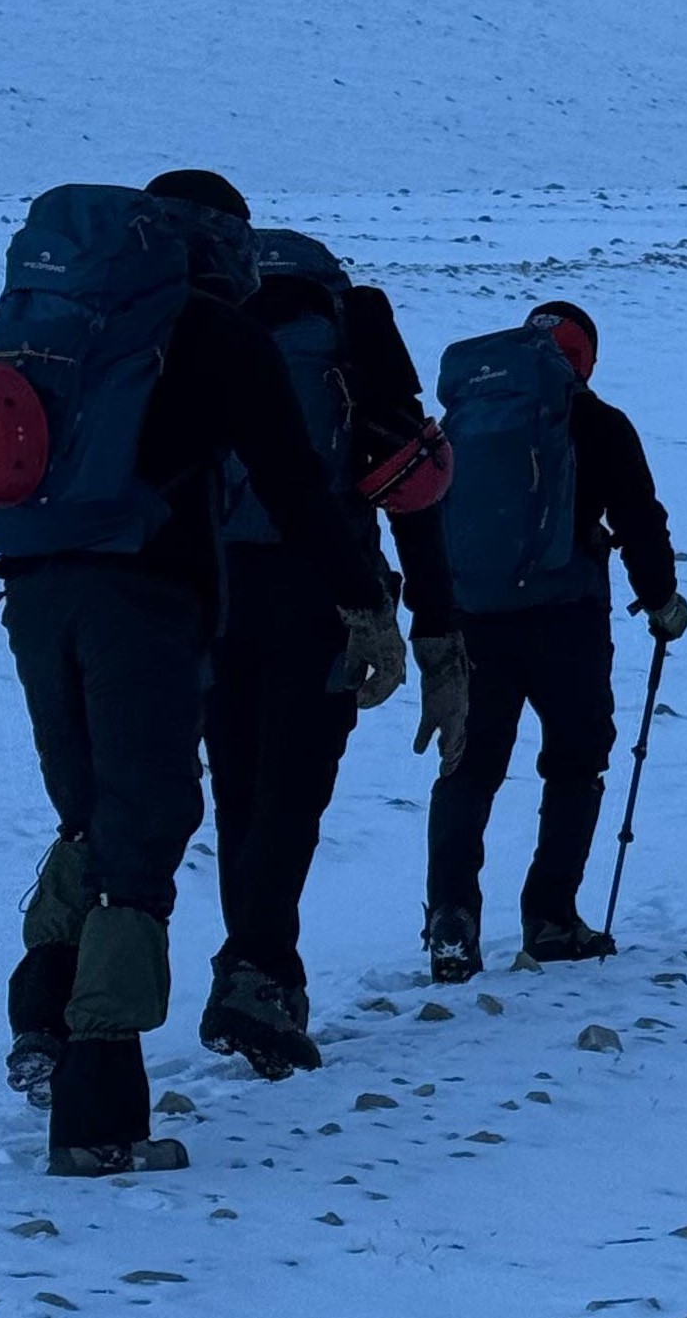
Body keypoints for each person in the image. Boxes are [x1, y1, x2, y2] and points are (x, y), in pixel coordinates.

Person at [0, 171, 403, 1177]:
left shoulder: (61, 318)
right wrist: (365, 604)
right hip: (146, 602)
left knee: (85, 810)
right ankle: (101, 1117)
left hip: (32, 584)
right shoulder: (216, 334)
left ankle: (42, 1022)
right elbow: (293, 484)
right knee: (144, 832)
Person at [198, 231, 463, 1079]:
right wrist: (431, 630)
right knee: (292, 789)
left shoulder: (203, 322)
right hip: (324, 586)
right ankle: (257, 974)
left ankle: (264, 972)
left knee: (238, 786)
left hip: (204, 584)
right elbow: (408, 482)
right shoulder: (352, 330)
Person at [422, 301, 687, 984]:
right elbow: (639, 519)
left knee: (468, 765)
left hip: (474, 617)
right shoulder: (597, 423)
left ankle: (453, 916)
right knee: (574, 764)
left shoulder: (468, 424)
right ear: (585, 360)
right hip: (565, 620)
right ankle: (550, 917)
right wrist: (661, 601)